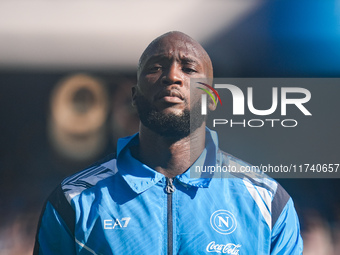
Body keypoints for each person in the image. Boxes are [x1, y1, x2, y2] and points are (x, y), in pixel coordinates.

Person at [33, 31, 303, 254]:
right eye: (156, 68)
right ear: (135, 96)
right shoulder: (74, 200)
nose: (172, 76)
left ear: (211, 99)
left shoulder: (268, 203)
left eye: (188, 69)